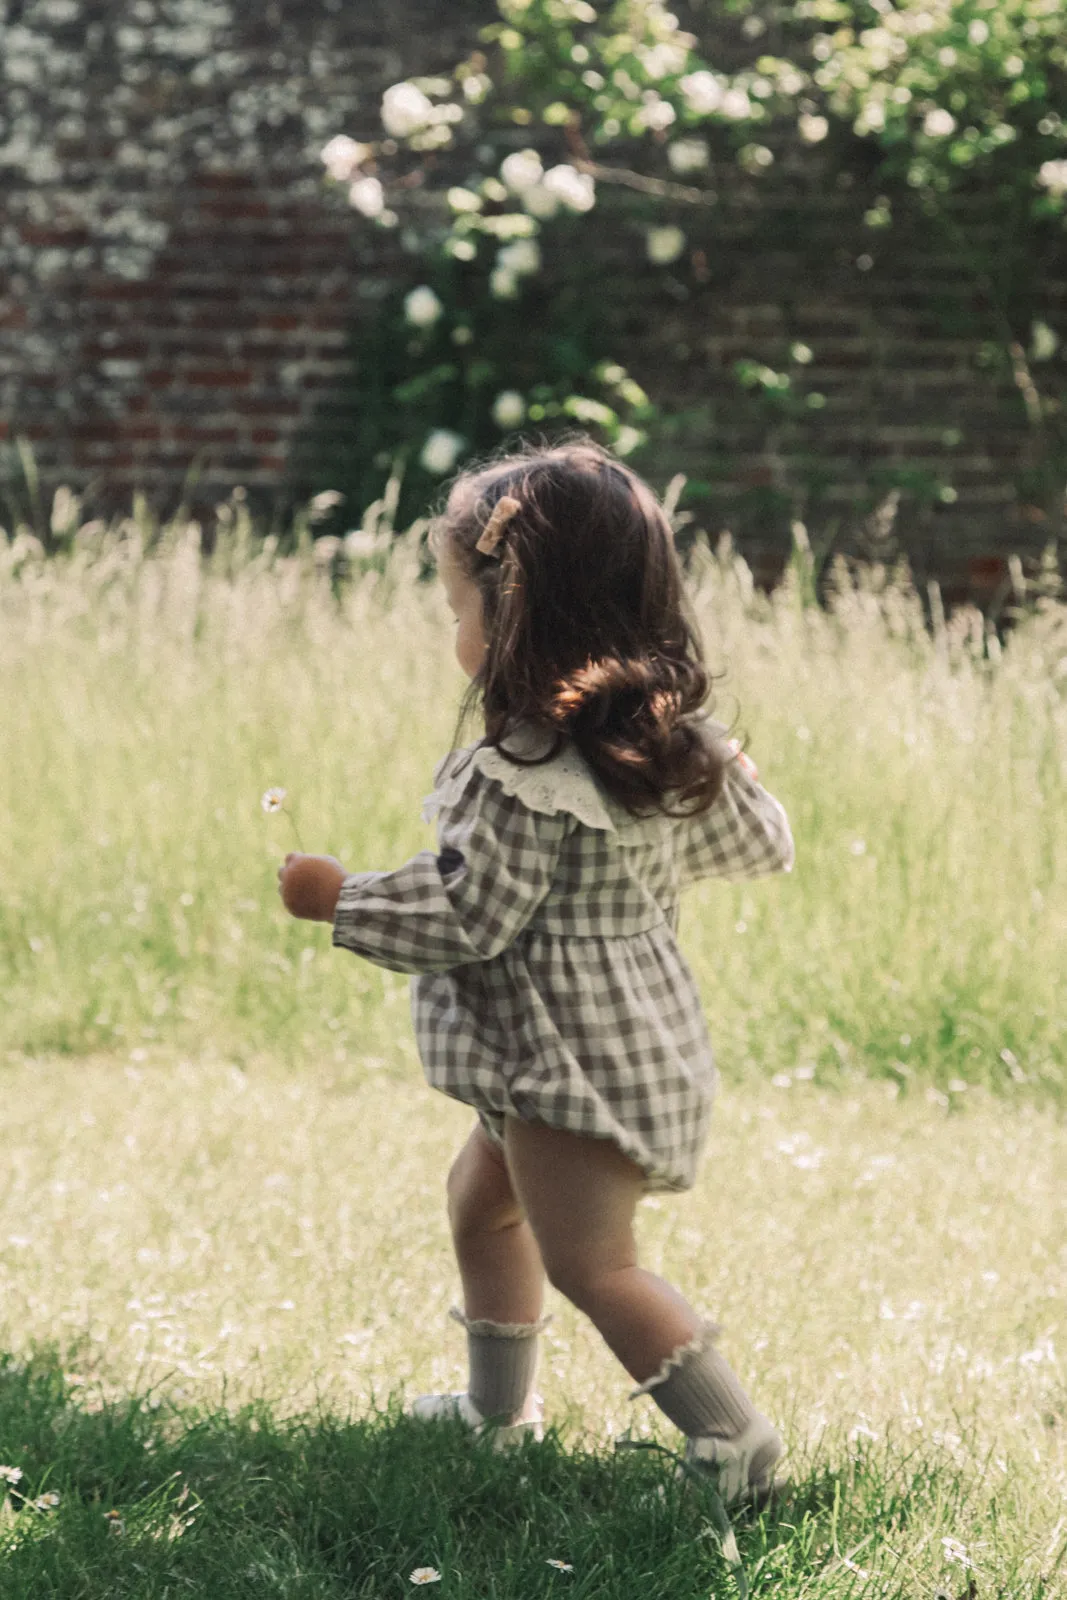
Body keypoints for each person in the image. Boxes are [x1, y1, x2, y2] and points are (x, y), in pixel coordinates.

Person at [276, 439, 795, 1507]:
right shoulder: (647, 744)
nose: (451, 628)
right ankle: (495, 1411)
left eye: (457, 604)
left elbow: (468, 912)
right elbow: (756, 839)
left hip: (570, 1064)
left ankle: (733, 1441)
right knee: (481, 1203)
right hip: (594, 1044)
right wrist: (700, 764)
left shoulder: (525, 775)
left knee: (593, 1263)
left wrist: (343, 898)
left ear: (516, 613)